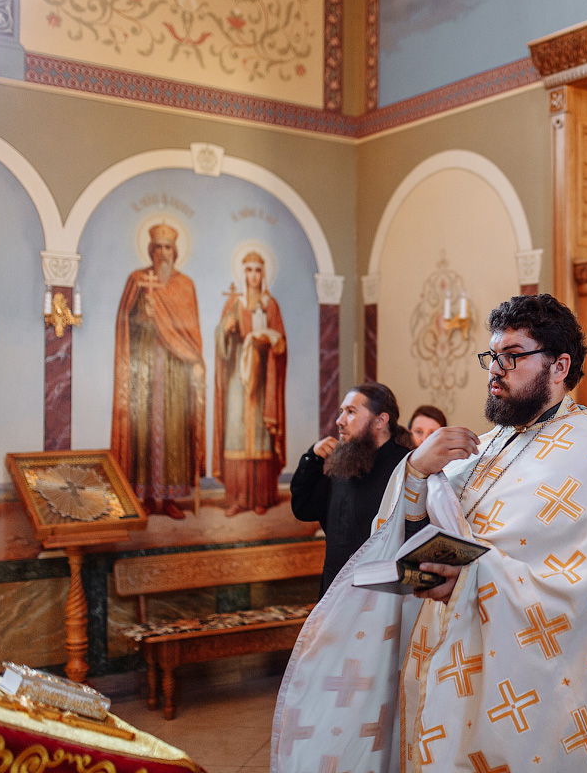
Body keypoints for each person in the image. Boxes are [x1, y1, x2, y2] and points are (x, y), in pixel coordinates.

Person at [273, 293, 587, 773]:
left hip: (525, 686)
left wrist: (474, 577)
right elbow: (419, 528)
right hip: (452, 655)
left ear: (559, 366)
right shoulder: (488, 446)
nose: (495, 369)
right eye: (492, 357)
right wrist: (417, 472)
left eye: (513, 356)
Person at [110, 221, 205, 520]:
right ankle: (147, 497)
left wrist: (196, 364)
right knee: (144, 431)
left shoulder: (184, 285)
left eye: (168, 248)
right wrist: (143, 316)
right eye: (158, 248)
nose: (163, 253)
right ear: (151, 251)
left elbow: (191, 333)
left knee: (174, 430)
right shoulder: (137, 280)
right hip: (145, 370)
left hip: (176, 373)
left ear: (175, 252)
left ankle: (171, 500)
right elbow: (125, 325)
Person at [289, 382, 412, 595]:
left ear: (381, 420)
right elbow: (304, 509)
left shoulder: (405, 467)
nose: (340, 420)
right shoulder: (343, 462)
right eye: (341, 412)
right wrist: (312, 459)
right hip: (335, 588)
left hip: (381, 594)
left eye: (351, 412)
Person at [213, 251, 287, 516]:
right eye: (248, 270)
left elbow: (282, 344)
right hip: (238, 379)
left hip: (263, 378)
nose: (252, 275)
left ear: (263, 274)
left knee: (260, 434)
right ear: (242, 273)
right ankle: (236, 498)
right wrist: (225, 328)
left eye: (257, 270)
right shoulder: (234, 302)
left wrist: (271, 340)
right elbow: (220, 339)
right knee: (236, 432)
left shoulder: (271, 305)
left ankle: (260, 497)